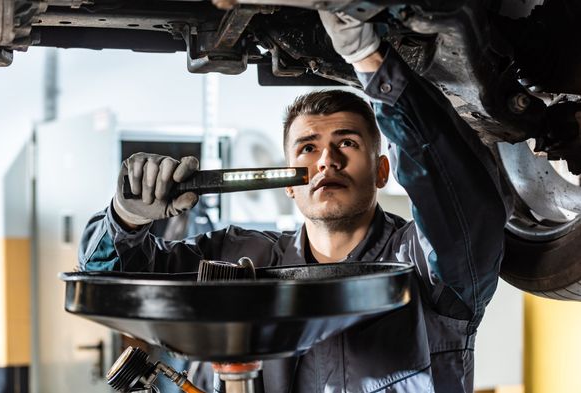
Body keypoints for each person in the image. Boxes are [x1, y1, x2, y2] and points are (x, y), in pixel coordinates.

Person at [78, 11, 512, 393]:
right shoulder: (236, 258)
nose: (327, 160)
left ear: (381, 171)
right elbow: (110, 281)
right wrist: (127, 218)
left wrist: (371, 61)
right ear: (289, 183)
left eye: (347, 142)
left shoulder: (424, 268)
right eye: (307, 148)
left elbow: (464, 208)